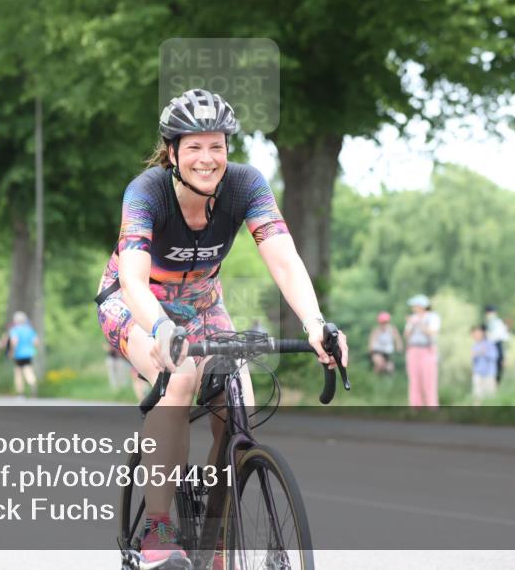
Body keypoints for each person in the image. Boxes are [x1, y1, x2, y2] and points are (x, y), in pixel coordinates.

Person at [94, 88, 348, 569]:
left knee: (238, 401)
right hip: (134, 302)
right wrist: (161, 327)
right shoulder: (146, 192)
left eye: (217, 146)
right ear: (172, 153)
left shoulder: (246, 185)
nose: (207, 158)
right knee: (181, 376)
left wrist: (315, 323)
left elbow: (283, 259)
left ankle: (216, 536)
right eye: (194, 147)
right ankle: (158, 529)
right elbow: (132, 279)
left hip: (203, 303)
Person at [404, 294, 440, 407]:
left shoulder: (433, 317)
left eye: (415, 305)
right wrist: (411, 324)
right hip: (413, 350)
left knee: (429, 381)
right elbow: (407, 334)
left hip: (427, 350)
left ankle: (431, 407)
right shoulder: (413, 318)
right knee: (414, 381)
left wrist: (419, 323)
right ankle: (415, 407)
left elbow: (432, 332)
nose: (413, 308)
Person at [8, 311, 39, 398]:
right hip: (29, 353)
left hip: (19, 353)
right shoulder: (30, 330)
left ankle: (20, 393)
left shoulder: (15, 330)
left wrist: (11, 351)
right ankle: (32, 384)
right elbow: (36, 342)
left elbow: (14, 341)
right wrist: (32, 349)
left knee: (18, 372)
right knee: (28, 370)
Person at [470, 324, 498, 403]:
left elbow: (494, 356)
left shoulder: (490, 343)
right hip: (478, 374)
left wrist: (481, 352)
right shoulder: (475, 345)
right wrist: (480, 352)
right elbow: (473, 358)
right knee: (477, 396)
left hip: (489, 374)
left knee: (490, 397)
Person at [484, 305, 510, 383]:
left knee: (498, 368)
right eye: (488, 313)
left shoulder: (498, 323)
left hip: (497, 346)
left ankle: (496, 384)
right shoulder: (487, 324)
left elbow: (503, 338)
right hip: (488, 348)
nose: (489, 314)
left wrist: (504, 357)